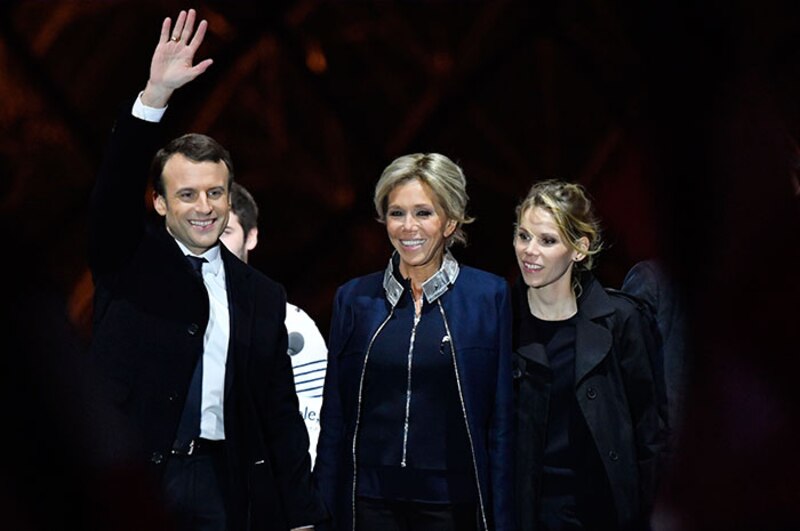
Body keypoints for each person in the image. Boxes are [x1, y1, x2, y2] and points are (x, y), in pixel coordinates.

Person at [87, 9, 325, 531]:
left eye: (215, 193)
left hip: (224, 484)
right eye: (187, 194)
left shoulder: (261, 294)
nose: (203, 206)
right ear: (158, 204)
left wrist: (303, 515)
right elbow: (108, 198)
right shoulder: (129, 261)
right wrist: (153, 99)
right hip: (137, 482)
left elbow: (280, 413)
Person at [313, 153, 514, 531]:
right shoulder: (353, 298)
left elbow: (501, 422)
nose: (408, 227)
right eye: (396, 213)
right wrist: (320, 507)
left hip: (452, 504)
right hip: (369, 503)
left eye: (423, 213)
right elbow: (335, 416)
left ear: (450, 221)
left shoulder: (489, 297)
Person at [511, 179, 666, 530]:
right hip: (531, 511)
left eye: (547, 240)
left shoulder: (621, 320)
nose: (529, 250)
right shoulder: (502, 321)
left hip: (605, 511)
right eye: (523, 236)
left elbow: (650, 431)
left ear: (579, 249)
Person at [221, 181, 328, 466]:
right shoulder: (164, 323)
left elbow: (311, 440)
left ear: (251, 236)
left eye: (226, 232)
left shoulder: (293, 328)